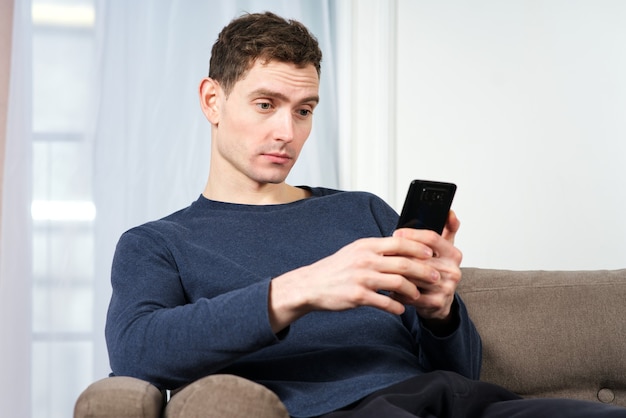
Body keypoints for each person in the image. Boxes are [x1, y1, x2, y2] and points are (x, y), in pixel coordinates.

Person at [105, 11, 626, 418]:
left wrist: (441, 314)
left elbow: (461, 368)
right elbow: (135, 353)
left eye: (304, 110)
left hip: (455, 401)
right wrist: (300, 288)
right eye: (266, 104)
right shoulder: (158, 242)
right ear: (212, 100)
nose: (287, 131)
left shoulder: (363, 211)